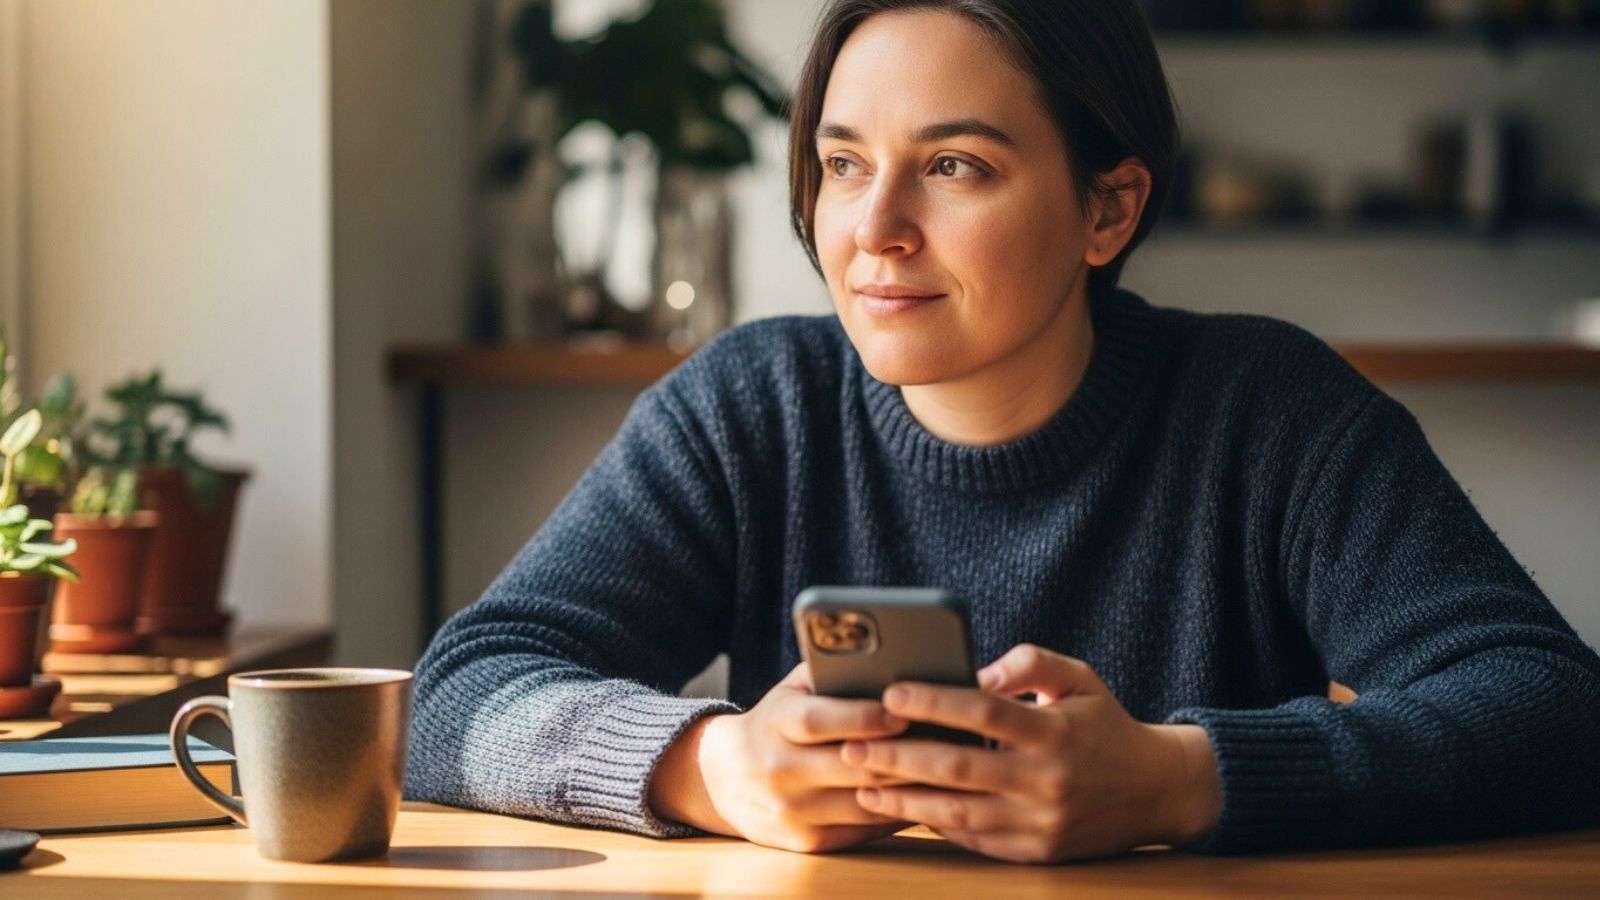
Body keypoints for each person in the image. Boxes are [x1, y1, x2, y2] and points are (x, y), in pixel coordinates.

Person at [405, 0, 1600, 863]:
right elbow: (460, 695)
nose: (874, 228)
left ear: (1106, 209)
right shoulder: (747, 407)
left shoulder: (1265, 409)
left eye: (954, 165)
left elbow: (1555, 710)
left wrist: (1178, 780)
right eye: (842, 163)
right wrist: (710, 766)